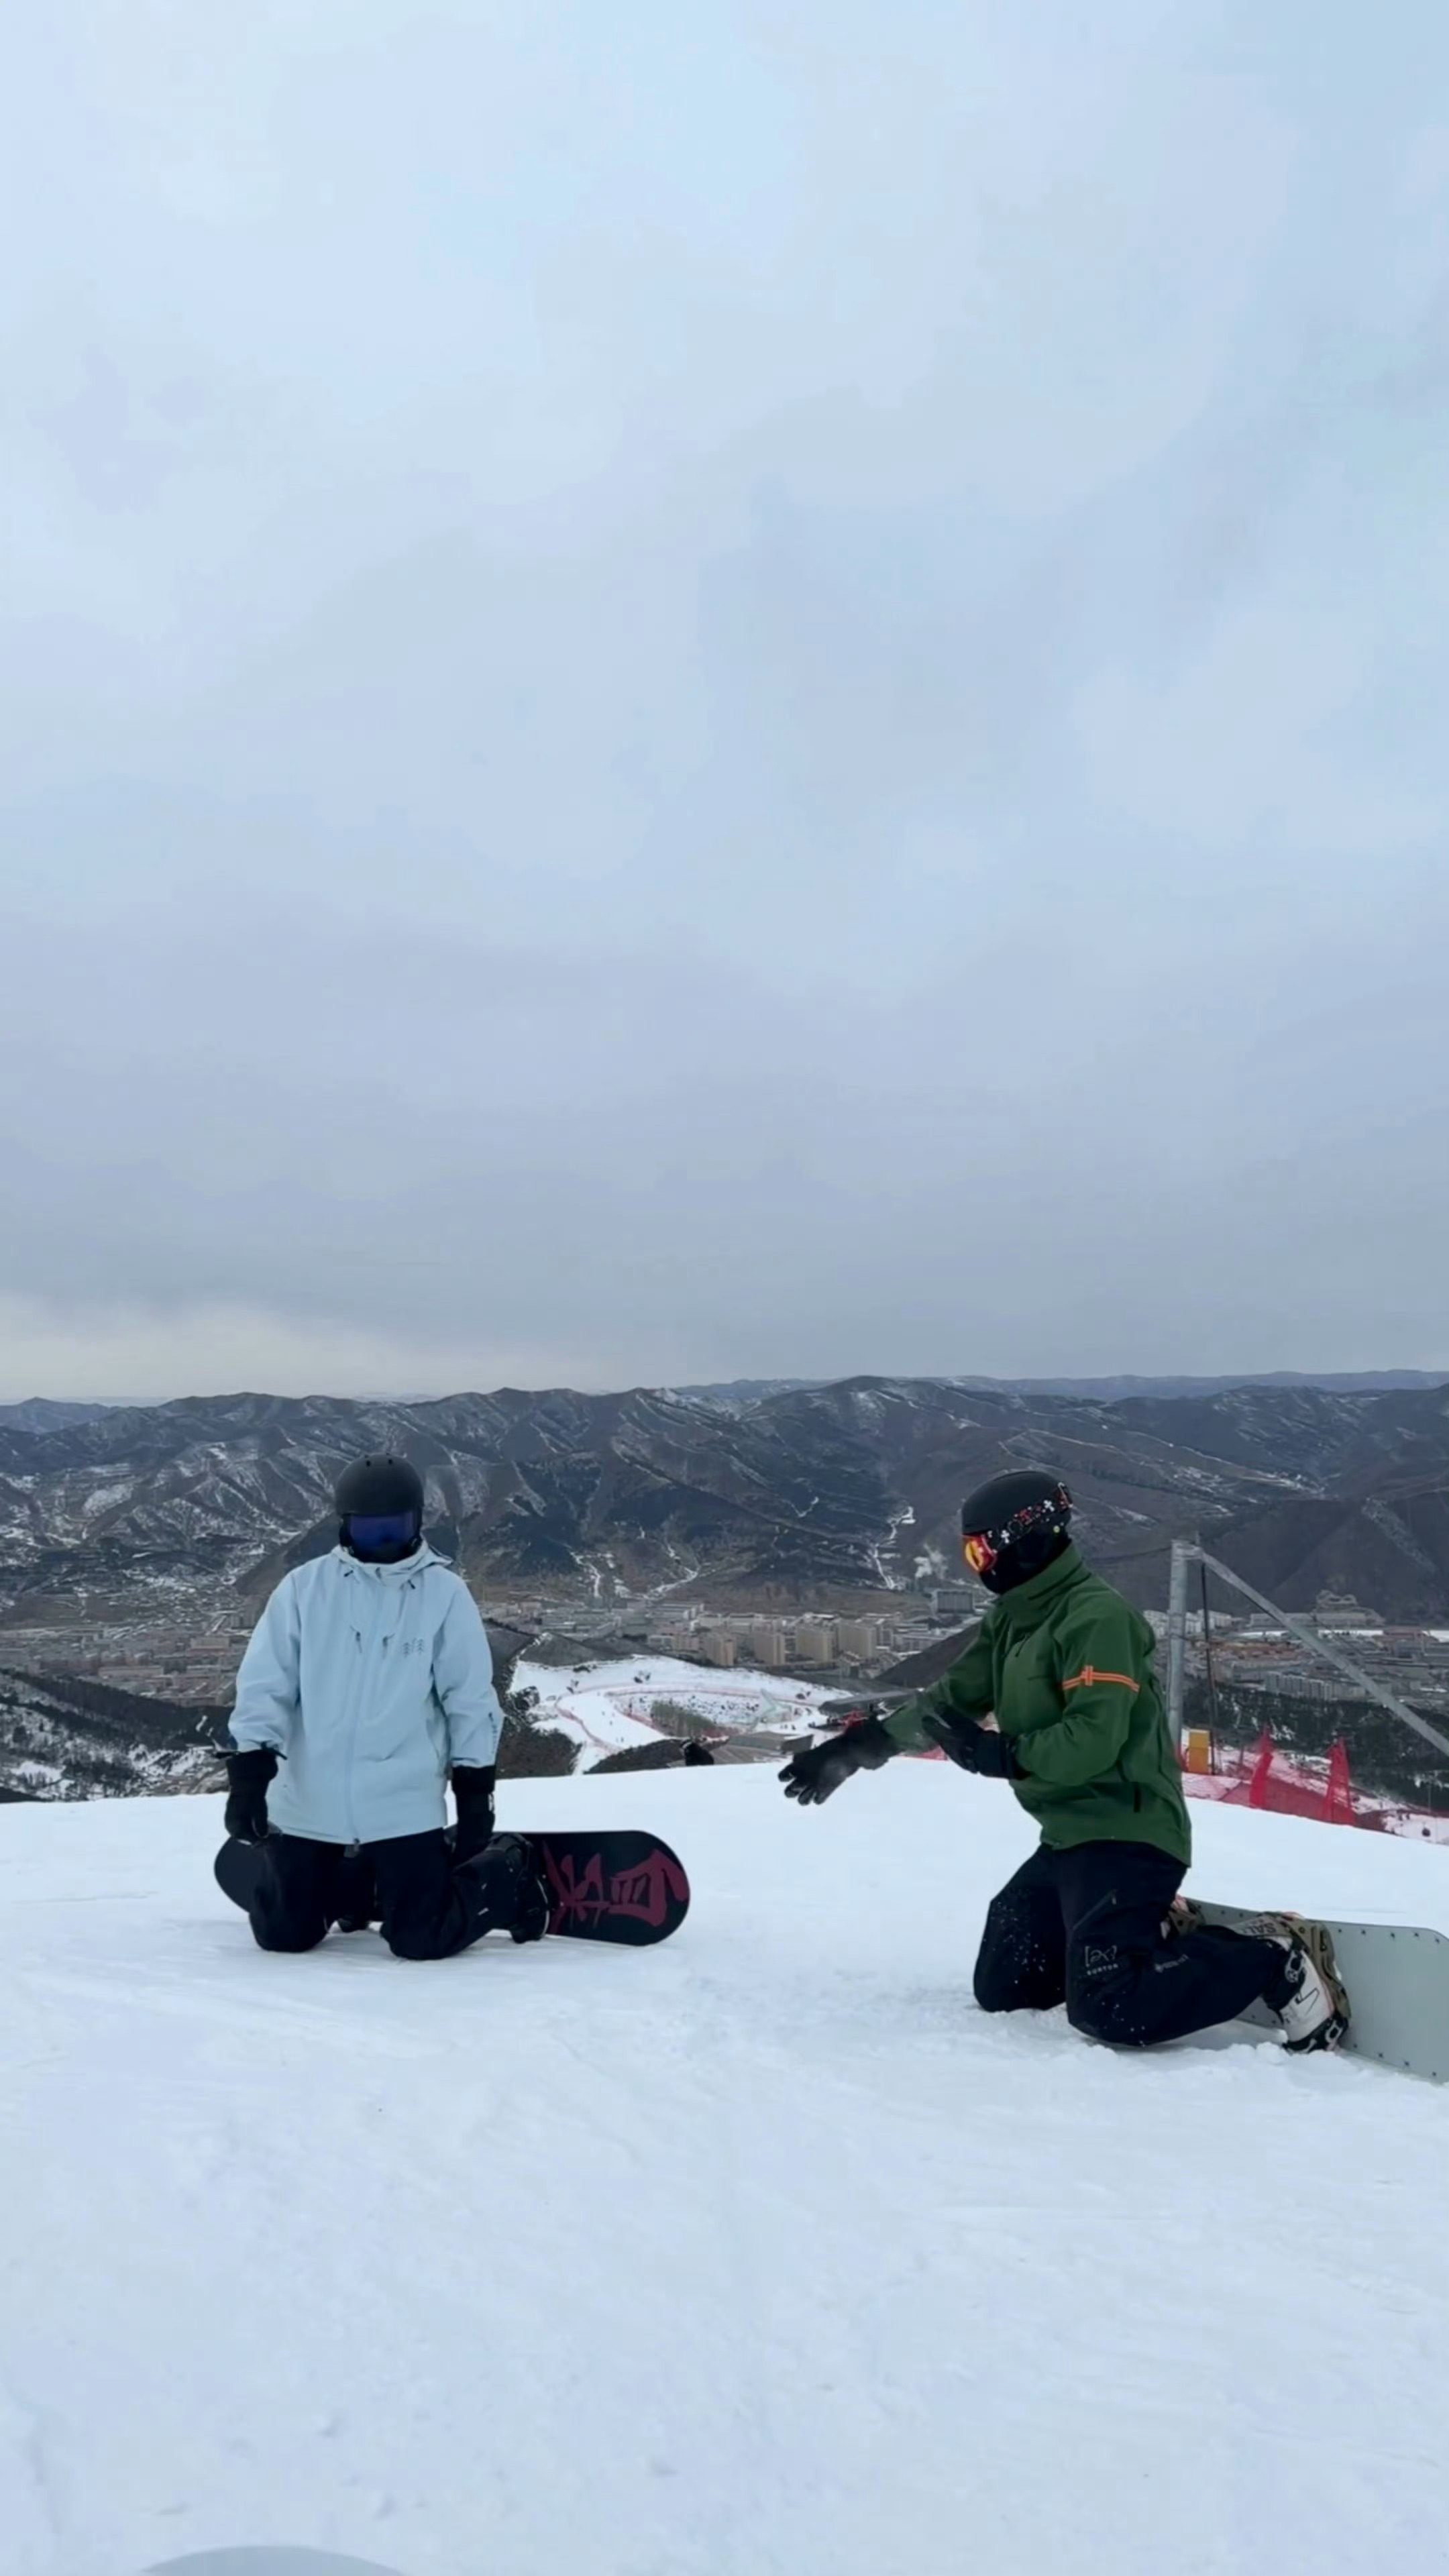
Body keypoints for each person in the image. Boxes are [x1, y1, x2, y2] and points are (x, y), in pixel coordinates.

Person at [779, 1468, 1348, 2055]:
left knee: (1110, 2009)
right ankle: (1144, 1935)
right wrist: (858, 1748)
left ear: (1025, 1540)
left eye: (980, 1550)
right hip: (1067, 1836)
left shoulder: (1096, 1619)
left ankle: (1273, 1957)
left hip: (1128, 1831)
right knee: (1006, 1987)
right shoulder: (1011, 1620)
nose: (976, 1566)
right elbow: (947, 1703)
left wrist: (998, 1755)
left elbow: (1093, 1740)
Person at [223, 1453, 549, 1958]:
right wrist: (249, 1776)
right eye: (371, 1531)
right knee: (282, 1936)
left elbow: (469, 1698)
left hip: (401, 1805)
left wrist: (474, 1790)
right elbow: (267, 1685)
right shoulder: (305, 1590)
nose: (385, 1546)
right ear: (345, 1527)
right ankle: (355, 1879)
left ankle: (507, 1871)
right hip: (310, 1800)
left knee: (421, 1940)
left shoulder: (443, 1594)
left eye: (395, 1530)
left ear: (418, 1522)